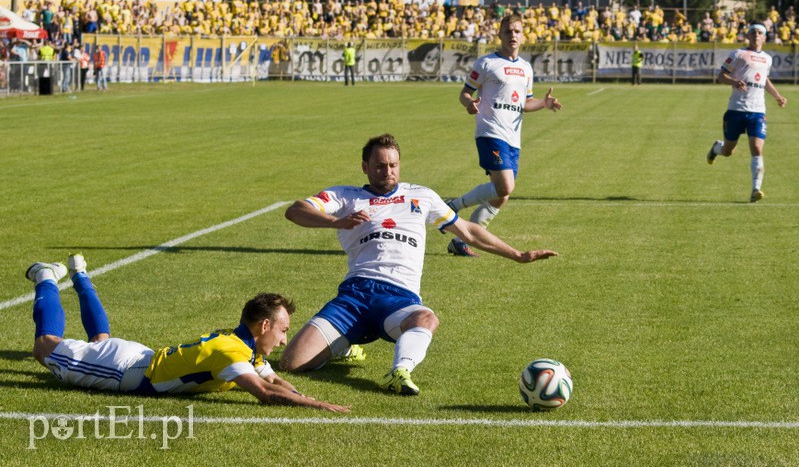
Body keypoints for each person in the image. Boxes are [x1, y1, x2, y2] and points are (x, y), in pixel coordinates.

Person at [279, 134, 558, 395]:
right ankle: (343, 345)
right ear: (365, 166)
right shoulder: (346, 196)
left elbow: (469, 231)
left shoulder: (421, 196)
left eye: (393, 165)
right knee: (291, 363)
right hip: (354, 296)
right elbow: (295, 211)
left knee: (426, 318)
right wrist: (336, 221)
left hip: (399, 300)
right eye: (379, 166)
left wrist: (518, 255)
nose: (387, 172)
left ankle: (399, 371)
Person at [26, 254, 349, 412]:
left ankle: (80, 275)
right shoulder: (232, 352)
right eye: (283, 330)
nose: (283, 340)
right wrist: (318, 406)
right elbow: (265, 394)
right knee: (45, 347)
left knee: (100, 341)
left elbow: (275, 380)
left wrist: (303, 396)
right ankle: (46, 276)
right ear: (264, 325)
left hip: (137, 359)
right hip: (124, 371)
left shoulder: (245, 346)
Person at [446, 14, 562, 257]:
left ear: (523, 35)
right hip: (490, 131)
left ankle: (462, 240)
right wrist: (469, 103)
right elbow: (465, 93)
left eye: (517, 31)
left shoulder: (526, 68)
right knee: (505, 186)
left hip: (513, 137)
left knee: (502, 195)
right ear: (499, 34)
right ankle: (452, 207)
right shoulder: (486, 63)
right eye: (508, 31)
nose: (513, 35)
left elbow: (525, 103)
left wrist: (544, 103)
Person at [706, 22, 788, 202]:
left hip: (757, 111)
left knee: (757, 149)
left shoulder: (767, 58)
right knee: (728, 151)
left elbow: (765, 80)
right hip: (736, 109)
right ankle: (716, 148)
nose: (756, 35)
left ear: (764, 37)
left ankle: (755, 189)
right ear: (748, 36)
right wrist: (734, 82)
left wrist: (777, 96)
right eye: (753, 32)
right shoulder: (738, 54)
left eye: (760, 33)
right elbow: (721, 76)